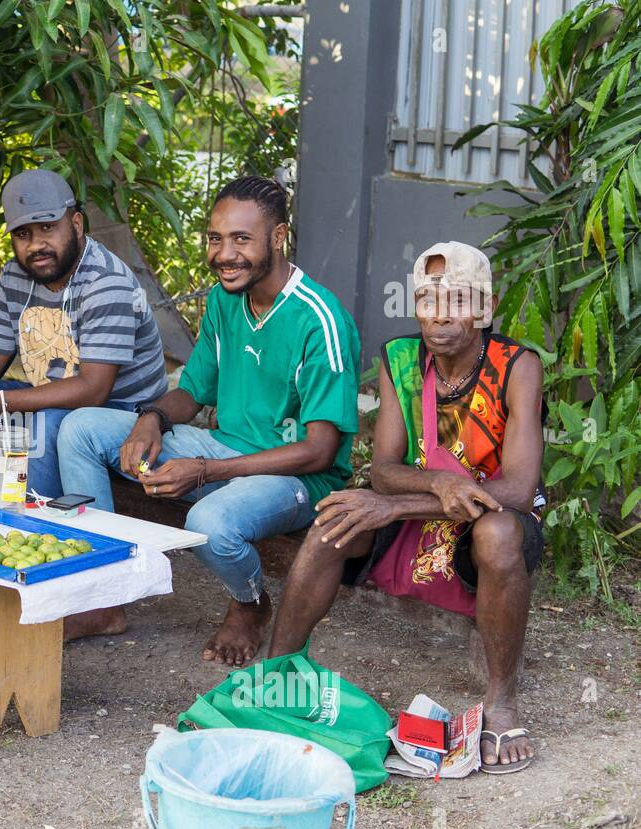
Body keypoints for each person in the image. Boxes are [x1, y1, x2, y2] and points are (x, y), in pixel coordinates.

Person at [267, 242, 544, 774]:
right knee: (337, 519)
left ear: (484, 308)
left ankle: (502, 701)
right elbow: (385, 469)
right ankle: (275, 674)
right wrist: (438, 482)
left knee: (501, 534)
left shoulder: (517, 367)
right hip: (425, 509)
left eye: (457, 299)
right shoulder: (401, 359)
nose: (439, 312)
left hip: (489, 522)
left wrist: (394, 508)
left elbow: (516, 488)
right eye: (427, 298)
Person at [57, 175, 361, 656]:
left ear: (278, 238)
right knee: (80, 429)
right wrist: (152, 418)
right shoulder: (225, 297)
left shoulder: (317, 318)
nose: (225, 254)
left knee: (210, 522)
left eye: (242, 239)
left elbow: (320, 451)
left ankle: (250, 603)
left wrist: (206, 471)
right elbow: (195, 389)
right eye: (215, 239)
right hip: (224, 451)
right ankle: (104, 596)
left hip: (296, 476)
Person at [0, 168, 167, 503]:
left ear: (76, 224)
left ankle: (31, 529)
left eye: (48, 227)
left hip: (121, 412)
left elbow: (94, 389)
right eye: (22, 234)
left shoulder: (106, 282)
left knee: (43, 427)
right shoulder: (15, 276)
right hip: (51, 397)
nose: (36, 245)